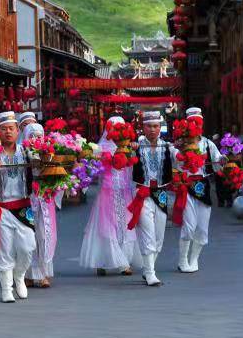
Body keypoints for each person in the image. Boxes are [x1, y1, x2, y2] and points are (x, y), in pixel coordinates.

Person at [0, 112, 36, 303]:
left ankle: (19, 276)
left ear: (17, 131)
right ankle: (6, 288)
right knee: (4, 249)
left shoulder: (27, 152)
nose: (8, 132)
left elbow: (39, 169)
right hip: (3, 207)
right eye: (4, 129)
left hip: (24, 207)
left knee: (28, 247)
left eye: (11, 129)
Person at [79, 116, 142, 276]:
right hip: (107, 192)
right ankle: (102, 260)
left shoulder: (130, 147)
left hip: (125, 191)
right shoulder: (101, 148)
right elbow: (90, 165)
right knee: (107, 227)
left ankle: (124, 263)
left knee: (125, 224)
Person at [173, 107, 223, 273]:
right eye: (192, 122)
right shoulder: (179, 145)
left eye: (198, 122)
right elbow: (174, 166)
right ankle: (182, 261)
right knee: (189, 226)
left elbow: (217, 164)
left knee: (202, 228)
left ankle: (194, 259)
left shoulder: (208, 144)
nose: (195, 125)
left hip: (203, 188)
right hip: (187, 188)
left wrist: (224, 161)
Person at [128, 111, 173, 286]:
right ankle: (150, 273)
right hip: (142, 194)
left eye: (156, 126)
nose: (153, 130)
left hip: (161, 194)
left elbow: (180, 157)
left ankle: (149, 270)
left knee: (159, 237)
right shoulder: (135, 145)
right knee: (148, 233)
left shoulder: (168, 146)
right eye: (149, 126)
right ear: (143, 127)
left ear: (160, 127)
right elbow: (124, 159)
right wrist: (128, 149)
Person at [21, 123, 58, 288]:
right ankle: (28, 274)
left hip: (45, 196)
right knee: (28, 235)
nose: (36, 139)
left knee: (45, 235)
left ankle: (43, 273)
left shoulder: (50, 151)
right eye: (32, 135)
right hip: (28, 197)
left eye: (39, 135)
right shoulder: (21, 153)